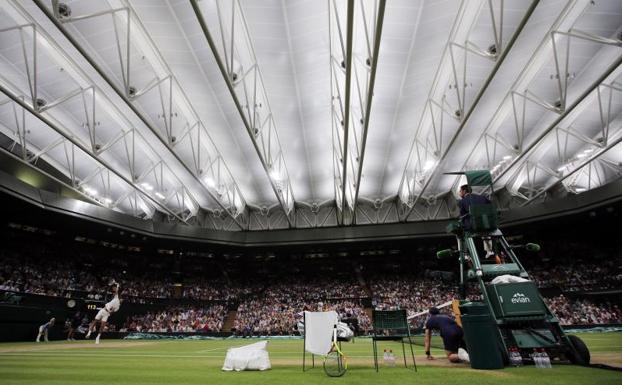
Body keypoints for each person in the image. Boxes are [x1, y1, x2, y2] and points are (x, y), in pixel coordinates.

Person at [458, 184, 495, 259]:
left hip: (472, 226)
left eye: (460, 191)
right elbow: (491, 207)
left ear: (464, 191)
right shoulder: (482, 197)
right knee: (485, 232)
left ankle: (465, 254)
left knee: (459, 233)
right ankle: (489, 250)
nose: (459, 193)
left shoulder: (462, 201)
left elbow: (462, 215)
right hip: (486, 224)